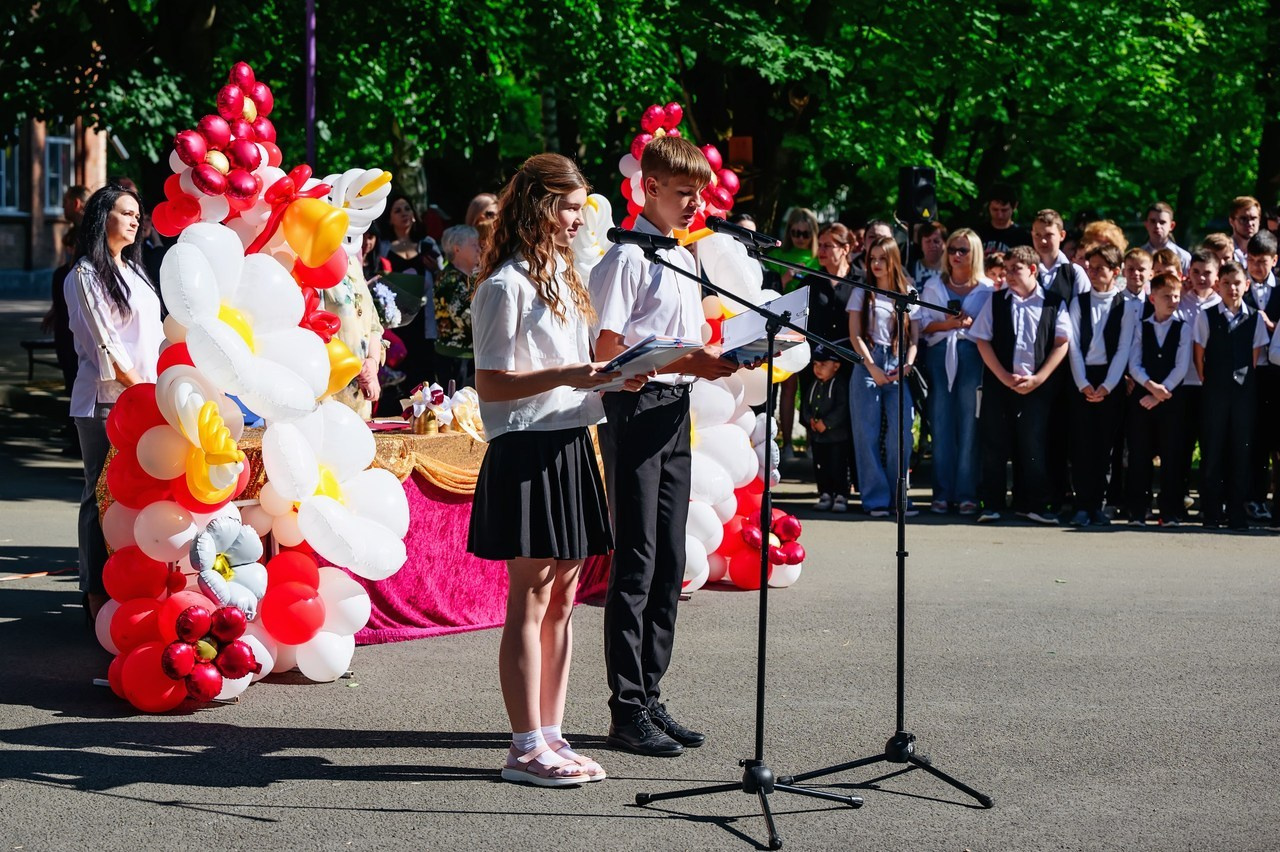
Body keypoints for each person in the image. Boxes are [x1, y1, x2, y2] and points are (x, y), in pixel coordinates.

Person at [469, 153, 633, 787]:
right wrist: (571, 374)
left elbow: (578, 367)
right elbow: (489, 380)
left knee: (565, 597)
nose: (578, 217)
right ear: (539, 204)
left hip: (570, 441)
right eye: (568, 204)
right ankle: (523, 746)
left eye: (581, 205)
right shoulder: (504, 285)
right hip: (526, 447)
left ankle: (552, 735)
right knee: (531, 598)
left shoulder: (567, 278)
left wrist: (617, 371)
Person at [589, 135, 738, 757]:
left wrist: (710, 359)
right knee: (639, 560)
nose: (694, 203)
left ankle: (651, 692)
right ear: (648, 187)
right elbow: (605, 349)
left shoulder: (682, 255)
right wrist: (675, 359)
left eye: (699, 193)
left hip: (674, 409)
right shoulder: (626, 259)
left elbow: (683, 333)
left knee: (670, 560)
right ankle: (625, 706)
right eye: (683, 193)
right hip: (637, 407)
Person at [64, 185, 163, 620]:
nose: (135, 219)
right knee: (100, 495)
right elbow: (105, 346)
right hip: (108, 402)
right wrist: (141, 390)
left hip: (148, 397)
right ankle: (94, 593)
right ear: (102, 217)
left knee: (139, 497)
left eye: (137, 214)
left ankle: (133, 587)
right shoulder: (85, 275)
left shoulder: (137, 272)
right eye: (125, 212)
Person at [970, 245, 1070, 524]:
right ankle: (991, 503)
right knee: (994, 444)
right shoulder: (997, 301)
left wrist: (1040, 378)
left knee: (1033, 444)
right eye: (1007, 269)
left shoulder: (1052, 302)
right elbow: (982, 339)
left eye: (1016, 269)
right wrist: (1002, 376)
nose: (1010, 275)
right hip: (1000, 383)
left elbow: (1062, 343)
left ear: (1033, 270)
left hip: (1036, 386)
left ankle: (1034, 503)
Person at [917, 227, 994, 515]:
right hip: (939, 357)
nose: (957, 255)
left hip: (973, 357)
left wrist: (968, 327)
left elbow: (991, 330)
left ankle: (966, 493)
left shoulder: (987, 288)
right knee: (941, 425)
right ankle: (941, 492)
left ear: (975, 254)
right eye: (952, 250)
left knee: (969, 426)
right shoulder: (933, 285)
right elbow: (923, 325)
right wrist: (949, 324)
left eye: (963, 250)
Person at [846, 235, 920, 518]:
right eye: (872, 258)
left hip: (899, 362)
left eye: (882, 258)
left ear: (893, 260)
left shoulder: (908, 292)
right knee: (866, 433)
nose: (876, 264)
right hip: (868, 361)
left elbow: (915, 337)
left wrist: (908, 364)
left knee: (901, 434)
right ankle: (876, 498)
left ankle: (898, 497)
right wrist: (871, 367)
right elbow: (854, 334)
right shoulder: (862, 291)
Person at [1193, 260, 1270, 529]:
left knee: (1241, 450)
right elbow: (1199, 354)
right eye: (1226, 283)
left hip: (1243, 392)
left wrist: (1242, 380)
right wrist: (1210, 378)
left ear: (1246, 285)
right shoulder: (1207, 315)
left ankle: (1237, 512)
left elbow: (1254, 356)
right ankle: (1212, 511)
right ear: (1218, 286)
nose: (1232, 288)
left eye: (1237, 283)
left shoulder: (1254, 318)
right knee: (1212, 450)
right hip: (1215, 390)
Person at [1066, 243, 1135, 527]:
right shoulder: (1079, 302)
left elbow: (1123, 349)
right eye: (1090, 267)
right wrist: (1083, 383)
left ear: (1115, 272)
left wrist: (1107, 385)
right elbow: (1072, 345)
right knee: (1082, 444)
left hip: (1111, 380)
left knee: (1105, 447)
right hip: (1082, 377)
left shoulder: (1126, 306)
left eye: (1100, 269)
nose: (1093, 273)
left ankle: (1100, 504)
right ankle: (1082, 503)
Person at [1031, 209, 1090, 515]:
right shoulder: (1028, 268)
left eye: (1049, 234)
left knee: (1066, 432)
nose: (1043, 240)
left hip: (1065, 362)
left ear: (1062, 236)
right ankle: (1045, 495)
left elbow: (1080, 321)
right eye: (1038, 234)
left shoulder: (1074, 273)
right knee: (1040, 432)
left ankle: (1068, 493)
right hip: (1032, 361)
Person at [1126, 272, 1192, 526]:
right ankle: (1138, 511)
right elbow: (1135, 362)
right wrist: (1151, 387)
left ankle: (1170, 511)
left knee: (1171, 455)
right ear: (1153, 298)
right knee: (1140, 454)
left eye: (1176, 295)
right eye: (1167, 296)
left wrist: (1162, 392)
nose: (1173, 300)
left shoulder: (1182, 328)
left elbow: (1181, 365)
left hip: (1171, 399)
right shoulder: (1142, 326)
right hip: (1144, 398)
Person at [380, 193, 442, 387]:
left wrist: (435, 270)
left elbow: (442, 279)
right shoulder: (383, 247)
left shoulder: (428, 244)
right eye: (397, 210)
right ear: (389, 219)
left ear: (414, 214)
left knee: (424, 373)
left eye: (407, 208)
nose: (404, 213)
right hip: (395, 321)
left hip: (423, 320)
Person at [1178, 250, 1221, 518]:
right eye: (1196, 272)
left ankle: (1210, 502)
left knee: (1211, 445)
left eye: (1207, 273)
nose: (1201, 277)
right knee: (1182, 444)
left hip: (1211, 385)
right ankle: (1179, 500)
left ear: (1217, 276)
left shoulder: (1222, 303)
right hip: (1183, 383)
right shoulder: (1181, 301)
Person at [1243, 230, 1280, 522]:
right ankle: (1252, 498)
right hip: (1250, 373)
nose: (1257, 266)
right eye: (1252, 260)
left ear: (1274, 259)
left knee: (1274, 439)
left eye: (1263, 261)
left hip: (1276, 375)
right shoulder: (1238, 288)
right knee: (1252, 438)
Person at [325, 254, 385, 419]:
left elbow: (374, 324)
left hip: (361, 390)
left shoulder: (353, 262)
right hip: (330, 387)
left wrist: (372, 363)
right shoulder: (315, 261)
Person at [802, 345, 852, 511]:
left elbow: (842, 408)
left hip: (837, 437)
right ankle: (825, 493)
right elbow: (805, 406)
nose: (818, 368)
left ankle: (841, 495)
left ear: (836, 366)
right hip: (818, 437)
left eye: (823, 365)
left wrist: (827, 423)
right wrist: (810, 420)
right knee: (820, 466)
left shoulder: (840, 385)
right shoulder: (814, 384)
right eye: (815, 364)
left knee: (837, 466)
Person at [435, 224, 481, 390]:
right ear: (457, 249)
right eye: (473, 245)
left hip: (469, 355)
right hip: (455, 357)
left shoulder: (470, 277)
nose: (479, 249)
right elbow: (465, 317)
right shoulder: (451, 280)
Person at [977, 182, 1032, 253]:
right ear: (988, 206)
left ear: (1014, 206)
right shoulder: (977, 233)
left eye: (1004, 210)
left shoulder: (1023, 237)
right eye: (995, 209)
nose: (999, 215)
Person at [776, 206, 821, 290]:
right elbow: (767, 291)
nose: (801, 238)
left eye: (806, 234)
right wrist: (786, 277)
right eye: (796, 233)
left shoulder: (822, 258)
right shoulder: (775, 256)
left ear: (814, 234)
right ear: (789, 231)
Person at [1141, 202, 1191, 272]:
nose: (1157, 226)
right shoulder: (1139, 255)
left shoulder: (1183, 257)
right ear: (1146, 224)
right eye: (1153, 221)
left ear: (1171, 226)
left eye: (1162, 222)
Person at [1228, 196, 1262, 266]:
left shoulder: (1265, 252)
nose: (1249, 223)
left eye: (1253, 218)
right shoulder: (1224, 252)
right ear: (1232, 221)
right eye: (1243, 219)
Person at [911, 221, 947, 287]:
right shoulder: (910, 269)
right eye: (928, 241)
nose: (932, 245)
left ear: (944, 244)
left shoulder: (952, 270)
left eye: (936, 241)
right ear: (921, 245)